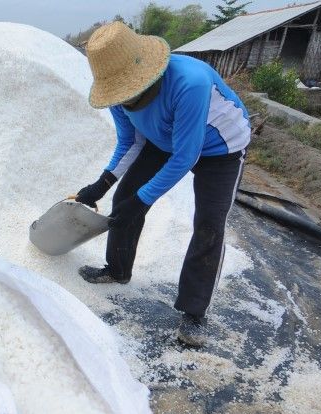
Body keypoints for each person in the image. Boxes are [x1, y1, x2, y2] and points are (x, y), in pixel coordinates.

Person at [74, 22, 250, 347]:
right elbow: (130, 140)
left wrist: (142, 201)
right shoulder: (116, 92)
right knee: (125, 196)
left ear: (149, 78)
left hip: (220, 147)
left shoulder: (189, 82)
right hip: (166, 138)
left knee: (209, 224)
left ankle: (195, 312)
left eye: (131, 95)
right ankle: (118, 269)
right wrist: (102, 183)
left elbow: (186, 156)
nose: (125, 103)